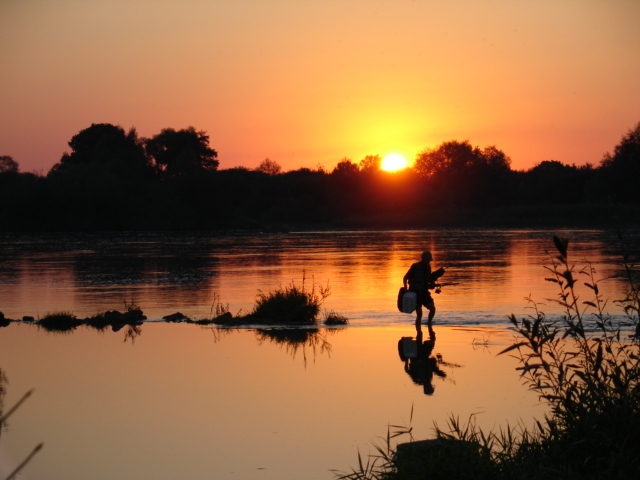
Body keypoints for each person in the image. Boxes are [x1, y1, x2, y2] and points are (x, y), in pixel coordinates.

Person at [403, 250, 444, 326]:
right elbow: (405, 278)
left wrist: (433, 284)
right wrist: (406, 289)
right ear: (423, 258)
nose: (429, 262)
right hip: (415, 294)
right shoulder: (415, 266)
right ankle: (419, 332)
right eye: (428, 260)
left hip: (424, 293)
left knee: (432, 309)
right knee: (419, 314)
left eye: (429, 260)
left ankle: (429, 323)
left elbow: (428, 280)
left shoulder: (428, 267)